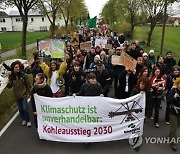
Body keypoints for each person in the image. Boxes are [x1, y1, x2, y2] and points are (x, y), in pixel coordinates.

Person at [7, 61, 32, 127]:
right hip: (17, 95)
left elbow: (28, 84)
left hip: (24, 94)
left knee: (25, 108)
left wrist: (29, 92)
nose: (18, 68)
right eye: (16, 67)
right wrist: (7, 83)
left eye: (18, 67)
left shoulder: (23, 75)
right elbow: (10, 86)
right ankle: (23, 119)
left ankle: (28, 120)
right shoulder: (11, 76)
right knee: (20, 109)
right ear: (13, 68)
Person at [167, 77, 180, 151]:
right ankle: (173, 143)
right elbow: (168, 101)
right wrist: (174, 97)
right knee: (174, 129)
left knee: (176, 127)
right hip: (173, 112)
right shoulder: (173, 91)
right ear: (177, 84)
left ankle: (170, 135)